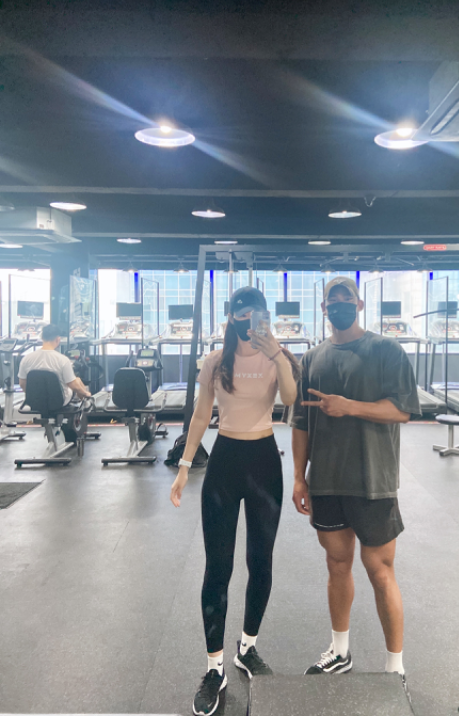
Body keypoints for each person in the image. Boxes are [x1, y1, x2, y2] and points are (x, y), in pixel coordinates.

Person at [170, 286, 299, 716]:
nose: (248, 321)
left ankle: (248, 647)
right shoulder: (215, 361)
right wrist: (185, 464)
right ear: (231, 318)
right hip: (225, 462)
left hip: (263, 461)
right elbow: (201, 413)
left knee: (260, 562)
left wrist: (277, 354)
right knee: (218, 567)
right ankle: (214, 668)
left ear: (265, 316)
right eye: (241, 314)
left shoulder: (277, 357)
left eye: (256, 314)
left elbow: (291, 400)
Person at [290, 277, 420, 680]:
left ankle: (395, 669)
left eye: (347, 298)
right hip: (326, 481)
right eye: (333, 300)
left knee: (380, 570)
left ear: (359, 304)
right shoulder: (312, 359)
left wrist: (350, 406)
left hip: (372, 480)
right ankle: (340, 652)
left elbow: (402, 410)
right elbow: (300, 423)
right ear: (324, 308)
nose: (340, 305)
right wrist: (299, 478)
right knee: (337, 564)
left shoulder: (386, 351)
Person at [18, 324, 92, 404]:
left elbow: (22, 384)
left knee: (76, 381)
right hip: (58, 401)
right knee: (77, 380)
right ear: (58, 339)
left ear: (42, 338)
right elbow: (73, 385)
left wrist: (33, 395)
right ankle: (86, 406)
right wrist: (86, 393)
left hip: (35, 400)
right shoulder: (63, 360)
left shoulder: (26, 359)